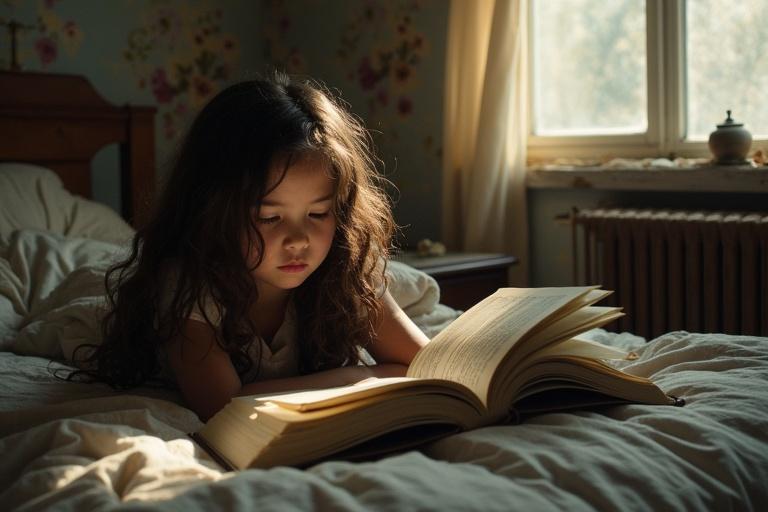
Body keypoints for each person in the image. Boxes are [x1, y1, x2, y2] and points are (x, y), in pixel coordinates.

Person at [73, 73, 429, 420]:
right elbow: (223, 407)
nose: (298, 240)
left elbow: (424, 364)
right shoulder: (189, 286)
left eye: (318, 213)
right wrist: (362, 378)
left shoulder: (345, 267)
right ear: (213, 213)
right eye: (270, 218)